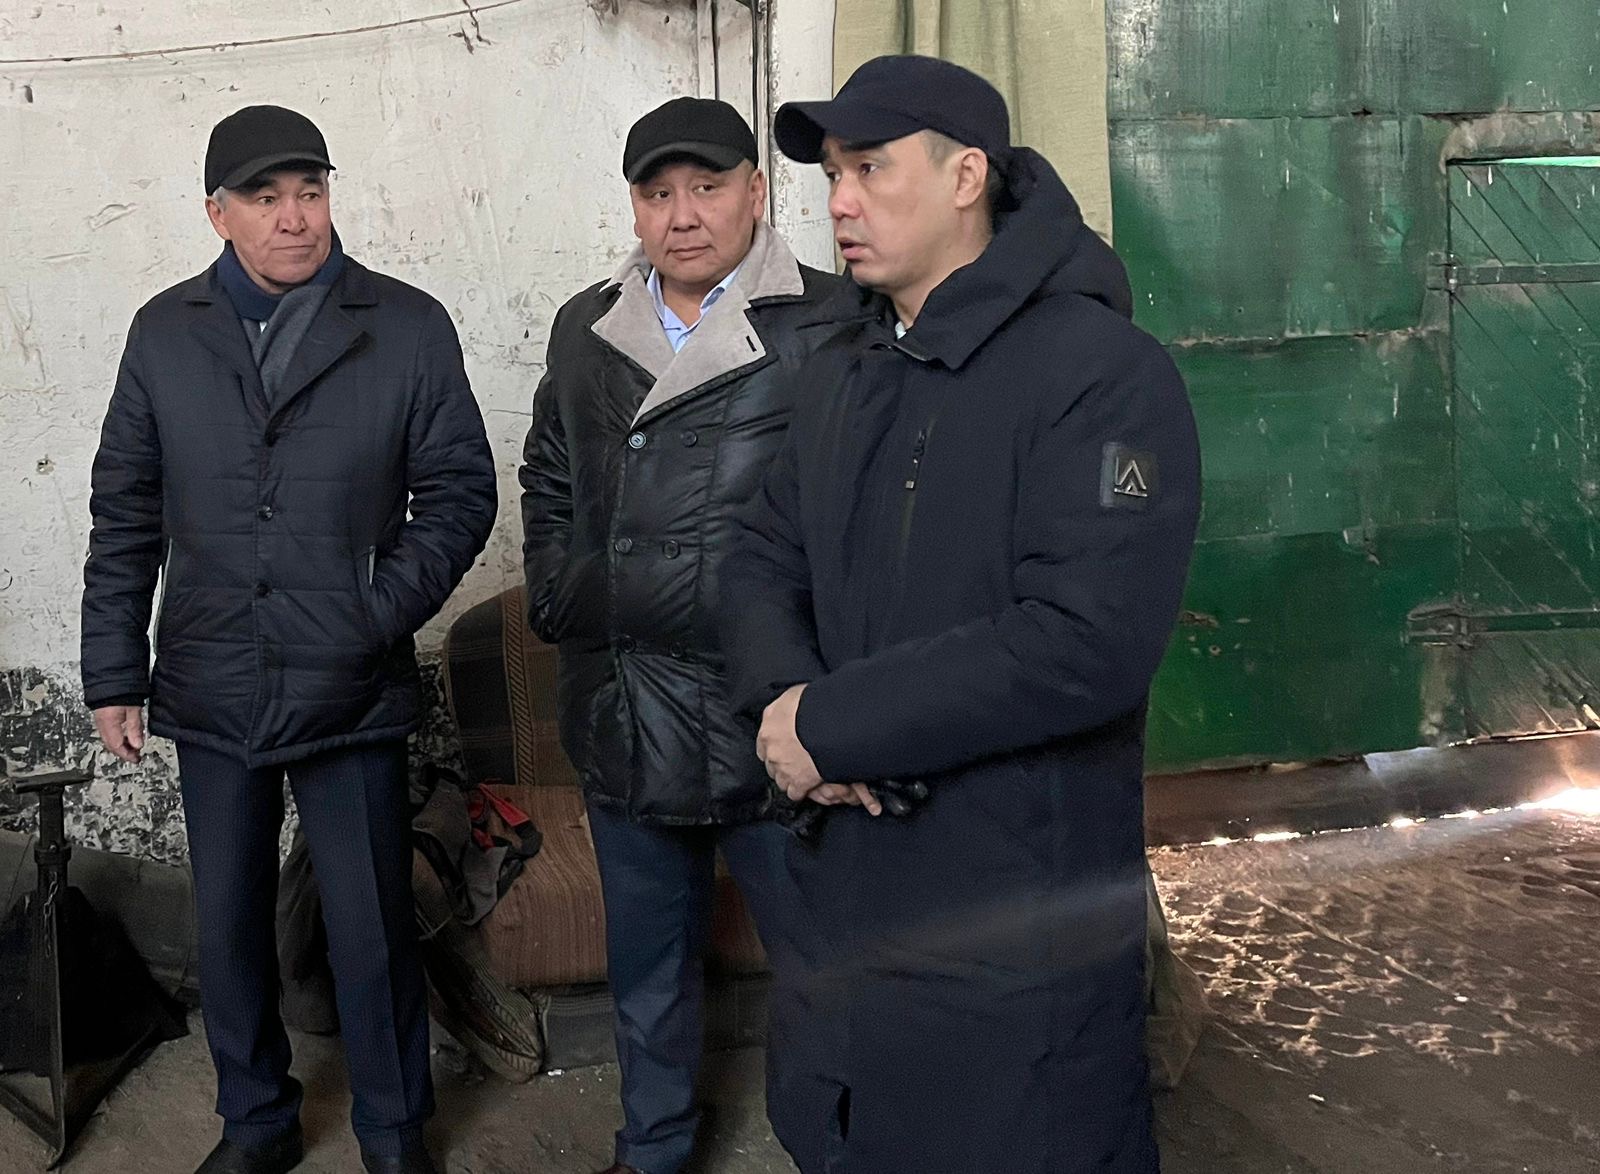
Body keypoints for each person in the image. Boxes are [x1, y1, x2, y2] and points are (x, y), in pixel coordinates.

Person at [721, 55, 1202, 1174]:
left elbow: (1083, 641)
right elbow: (758, 553)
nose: (839, 203)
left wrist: (833, 726)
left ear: (966, 176)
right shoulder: (844, 368)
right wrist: (786, 706)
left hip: (1014, 920)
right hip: (844, 893)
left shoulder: (1101, 373)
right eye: (832, 176)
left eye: (870, 169)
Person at [80, 104, 497, 1174]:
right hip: (212, 677)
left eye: (309, 191)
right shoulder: (164, 332)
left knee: (371, 927)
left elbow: (459, 492)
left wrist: (372, 612)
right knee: (228, 928)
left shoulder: (404, 325)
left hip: (349, 684)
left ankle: (394, 1131)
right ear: (216, 214)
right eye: (264, 198)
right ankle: (255, 1120)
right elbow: (125, 507)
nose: (294, 217)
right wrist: (115, 670)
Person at [518, 96, 842, 1174]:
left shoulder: (830, 324)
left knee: (824, 963)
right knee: (648, 964)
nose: (682, 215)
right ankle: (652, 1146)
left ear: (757, 190)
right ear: (634, 207)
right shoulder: (588, 325)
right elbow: (550, 467)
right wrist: (563, 587)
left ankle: (840, 1145)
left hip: (774, 710)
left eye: (706, 187)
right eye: (658, 193)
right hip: (626, 701)